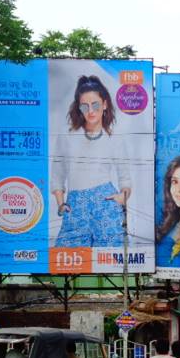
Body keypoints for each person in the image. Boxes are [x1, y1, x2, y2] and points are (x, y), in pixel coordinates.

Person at [51, 75, 131, 248]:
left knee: (113, 258)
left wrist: (122, 198)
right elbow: (58, 174)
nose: (91, 111)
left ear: (104, 104)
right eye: (85, 106)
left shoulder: (114, 137)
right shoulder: (67, 136)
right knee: (63, 259)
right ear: (79, 107)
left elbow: (125, 177)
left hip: (106, 202)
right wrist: (60, 204)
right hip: (75, 204)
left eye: (95, 104)